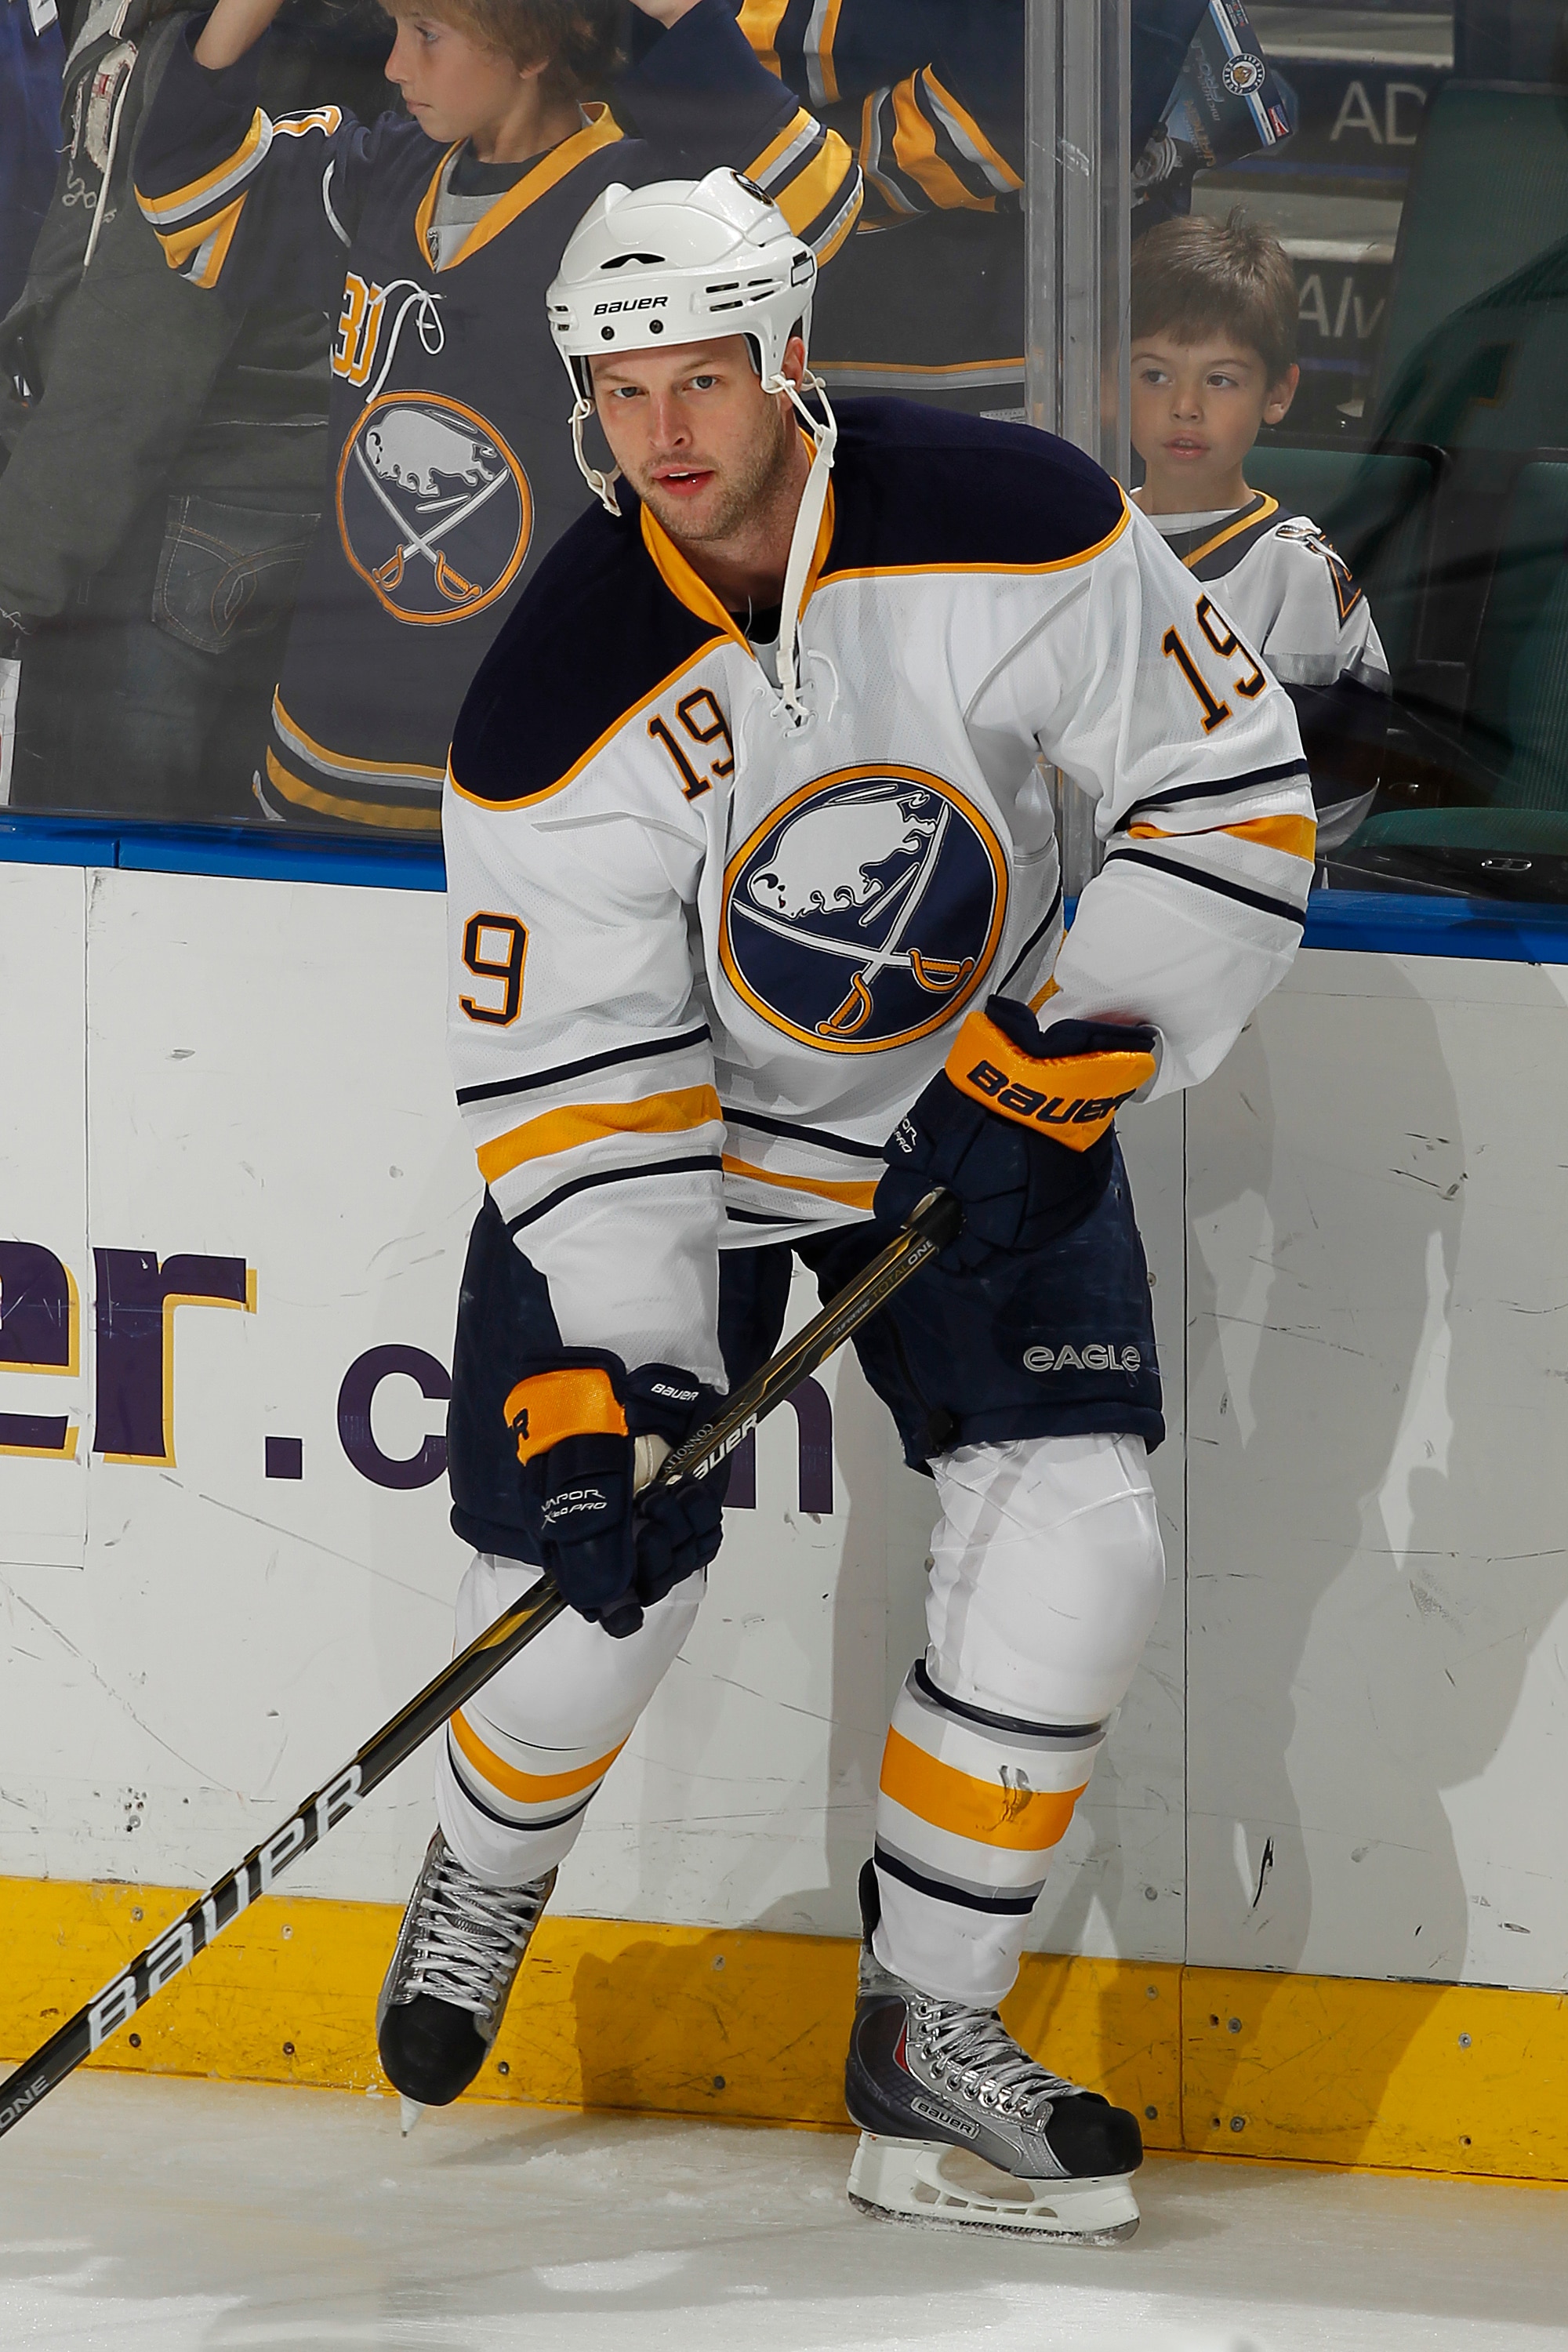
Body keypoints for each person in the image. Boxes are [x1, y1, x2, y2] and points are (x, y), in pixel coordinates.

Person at [379, 169, 1313, 2241]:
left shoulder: (1022, 519)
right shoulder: (554, 695)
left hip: (975, 1094)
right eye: (621, 392)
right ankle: (485, 1868)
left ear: (788, 352)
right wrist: (616, 1377)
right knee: (591, 1598)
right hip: (687, 1148)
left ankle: (928, 2028)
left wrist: (1074, 1044)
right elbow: (582, 1070)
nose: (665, 434)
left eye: (702, 376)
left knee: (1080, 1539)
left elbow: (1222, 782)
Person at [129, 0, 858, 831]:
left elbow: (819, 212)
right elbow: (188, 202)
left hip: (552, 753)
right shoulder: (379, 172)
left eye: (427, 35)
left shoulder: (644, 208)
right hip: (333, 743)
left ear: (531, 45)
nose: (395, 64)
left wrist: (675, 11)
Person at [0, 0, 394, 822]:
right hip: (285, 494)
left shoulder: (228, 27)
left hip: (161, 517)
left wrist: (18, 572)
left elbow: (148, 326)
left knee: (100, 895)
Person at [1130, 209, 1391, 855]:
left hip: (1249, 910)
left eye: (1220, 379)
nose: (1184, 405)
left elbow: (1332, 793)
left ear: (1278, 393)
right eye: (1154, 374)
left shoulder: (1300, 572)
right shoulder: (1077, 535)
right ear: (1112, 378)